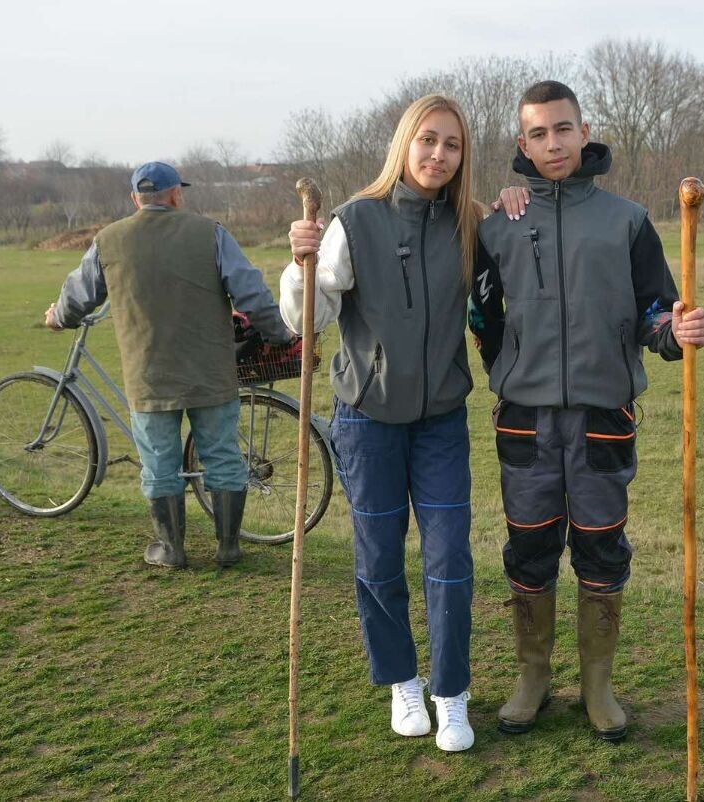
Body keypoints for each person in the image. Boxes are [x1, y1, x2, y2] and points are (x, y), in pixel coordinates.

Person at [470, 80, 704, 741]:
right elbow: (482, 314)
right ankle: (533, 677)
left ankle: (598, 686)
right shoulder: (501, 224)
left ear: (585, 132)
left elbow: (655, 310)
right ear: (522, 144)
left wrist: (675, 333)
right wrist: (507, 367)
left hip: (605, 416)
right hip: (525, 419)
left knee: (602, 551)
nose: (553, 143)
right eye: (539, 133)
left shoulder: (627, 220)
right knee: (529, 548)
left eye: (563, 129)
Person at [281, 94, 481, 752]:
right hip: (367, 419)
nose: (438, 155)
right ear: (405, 143)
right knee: (379, 559)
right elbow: (306, 318)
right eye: (428, 140)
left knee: (450, 558)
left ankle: (452, 694)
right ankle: (403, 680)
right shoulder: (355, 220)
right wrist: (299, 263)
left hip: (442, 421)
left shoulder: (468, 225)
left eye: (451, 144)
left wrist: (514, 205)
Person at [46, 161, 294, 570]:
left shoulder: (109, 240)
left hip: (149, 376)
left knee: (159, 464)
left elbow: (78, 297)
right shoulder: (210, 232)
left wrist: (58, 318)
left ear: (135, 199)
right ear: (177, 194)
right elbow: (250, 292)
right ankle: (228, 547)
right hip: (211, 372)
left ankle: (171, 549)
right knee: (223, 457)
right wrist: (281, 333)